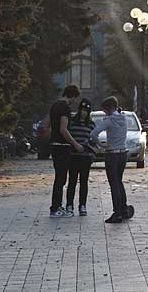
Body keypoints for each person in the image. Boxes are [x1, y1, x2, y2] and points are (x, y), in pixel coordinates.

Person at [49, 85, 85, 218]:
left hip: (54, 145)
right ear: (73, 96)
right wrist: (75, 144)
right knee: (61, 179)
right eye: (76, 98)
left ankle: (57, 206)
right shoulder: (65, 108)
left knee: (59, 178)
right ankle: (55, 208)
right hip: (62, 146)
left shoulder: (54, 105)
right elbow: (63, 129)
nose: (76, 102)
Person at [92, 96, 129, 224]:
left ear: (108, 108)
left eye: (104, 110)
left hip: (112, 154)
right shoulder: (124, 118)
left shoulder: (108, 120)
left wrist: (101, 145)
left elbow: (93, 134)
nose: (104, 113)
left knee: (113, 183)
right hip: (123, 153)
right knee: (119, 181)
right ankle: (124, 209)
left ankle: (117, 212)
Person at [65, 99, 96, 217]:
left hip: (85, 158)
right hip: (73, 157)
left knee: (84, 182)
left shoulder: (91, 124)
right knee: (72, 181)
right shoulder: (72, 122)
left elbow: (93, 140)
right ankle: (69, 205)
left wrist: (92, 151)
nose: (84, 113)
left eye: (86, 111)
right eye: (82, 110)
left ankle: (82, 205)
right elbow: (68, 137)